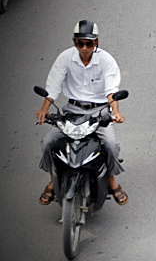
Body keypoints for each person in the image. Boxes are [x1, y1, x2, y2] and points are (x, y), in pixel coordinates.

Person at [36, 20, 129, 205]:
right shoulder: (65, 58)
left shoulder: (106, 61)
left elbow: (111, 90)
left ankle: (111, 181)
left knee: (110, 144)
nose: (84, 48)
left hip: (99, 111)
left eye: (89, 43)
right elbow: (53, 86)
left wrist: (115, 112)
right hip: (72, 111)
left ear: (96, 42)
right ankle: (52, 182)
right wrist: (44, 110)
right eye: (80, 43)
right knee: (48, 142)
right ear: (75, 42)